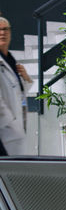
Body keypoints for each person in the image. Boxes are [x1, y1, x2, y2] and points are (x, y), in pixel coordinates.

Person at [0, 16, 32, 155]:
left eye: (6, 29)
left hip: (13, 132)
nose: (3, 33)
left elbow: (17, 93)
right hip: (4, 133)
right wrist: (12, 125)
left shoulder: (11, 61)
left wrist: (26, 80)